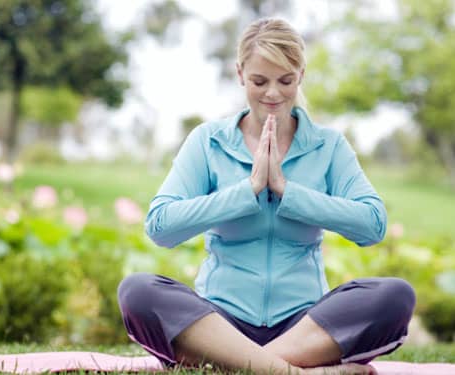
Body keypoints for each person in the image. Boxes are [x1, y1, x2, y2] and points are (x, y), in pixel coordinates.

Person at [117, 17, 415, 375]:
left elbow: (373, 225)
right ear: (240, 74)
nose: (273, 94)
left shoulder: (328, 146)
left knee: (395, 296)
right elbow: (160, 226)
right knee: (138, 291)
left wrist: (288, 192)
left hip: (303, 326)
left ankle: (234, 367)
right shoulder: (209, 142)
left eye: (285, 81)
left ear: (301, 74)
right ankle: (292, 372)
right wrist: (248, 191)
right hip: (220, 325)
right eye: (259, 81)